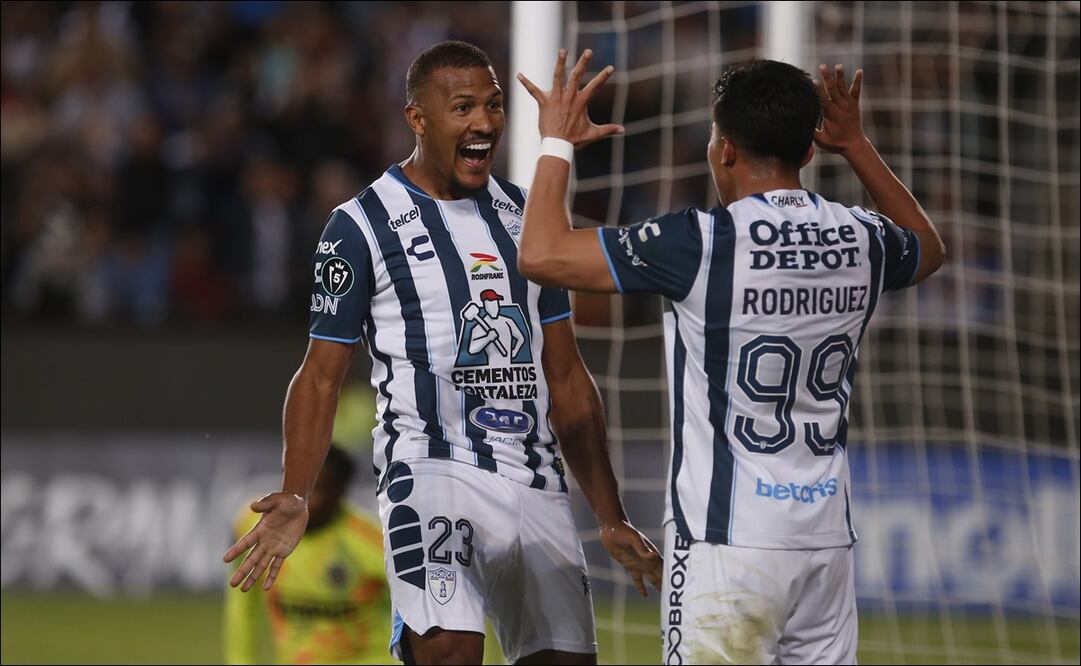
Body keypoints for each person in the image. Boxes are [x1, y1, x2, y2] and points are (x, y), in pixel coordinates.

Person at [223, 40, 662, 666]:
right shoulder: (362, 224)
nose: (483, 122)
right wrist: (296, 491)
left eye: (493, 105)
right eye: (462, 108)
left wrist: (611, 515)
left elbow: (567, 378)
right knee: (450, 653)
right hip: (430, 471)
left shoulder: (525, 217)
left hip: (535, 480)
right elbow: (320, 377)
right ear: (418, 119)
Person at [515, 50, 945, 664]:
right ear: (808, 151)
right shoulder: (862, 236)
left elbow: (541, 254)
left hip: (727, 543)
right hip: (825, 544)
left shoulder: (701, 242)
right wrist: (857, 145)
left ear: (724, 150)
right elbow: (928, 250)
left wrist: (556, 142)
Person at [223, 445, 391, 664]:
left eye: (315, 491)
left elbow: (414, 610)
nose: (301, 501)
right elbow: (242, 607)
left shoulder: (370, 542)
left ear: (339, 492)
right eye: (295, 489)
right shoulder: (256, 528)